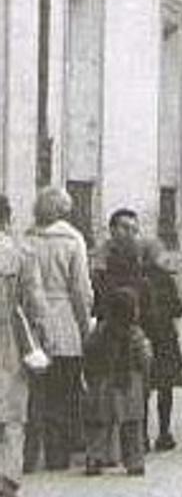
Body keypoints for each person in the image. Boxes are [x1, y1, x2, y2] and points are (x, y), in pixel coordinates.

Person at [24, 187, 92, 472]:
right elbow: (80, 289)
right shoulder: (73, 240)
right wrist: (85, 324)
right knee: (64, 393)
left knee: (33, 393)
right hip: (65, 323)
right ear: (66, 210)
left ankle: (28, 456)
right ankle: (57, 455)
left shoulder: (27, 239)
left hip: (32, 325)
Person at [0, 196, 49, 497]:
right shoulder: (21, 253)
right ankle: (6, 480)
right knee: (12, 414)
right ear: (7, 218)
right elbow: (35, 303)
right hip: (10, 341)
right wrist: (41, 339)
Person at [83, 287, 152, 477]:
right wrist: (146, 378)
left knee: (99, 426)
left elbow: (88, 353)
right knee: (132, 427)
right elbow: (145, 359)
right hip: (129, 384)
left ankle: (94, 459)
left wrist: (91, 377)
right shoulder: (135, 334)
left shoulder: (100, 331)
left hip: (102, 384)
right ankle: (135, 462)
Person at [141, 240, 182, 451]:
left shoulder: (138, 275)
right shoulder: (166, 278)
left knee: (143, 389)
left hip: (143, 337)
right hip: (165, 338)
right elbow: (178, 308)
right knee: (165, 389)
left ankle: (141, 436)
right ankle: (164, 433)